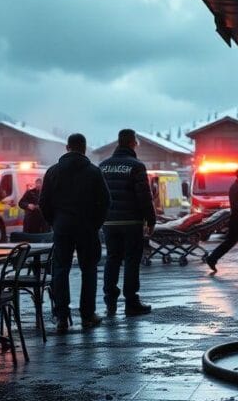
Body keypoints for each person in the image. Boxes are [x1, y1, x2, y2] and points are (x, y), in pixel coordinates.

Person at [40, 133, 111, 329]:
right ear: (84, 148)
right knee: (88, 270)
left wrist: (54, 222)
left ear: (67, 148)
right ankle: (87, 314)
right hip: (87, 228)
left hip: (62, 227)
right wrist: (95, 223)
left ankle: (62, 317)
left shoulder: (53, 172)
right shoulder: (93, 172)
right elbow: (105, 202)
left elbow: (43, 202)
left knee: (60, 270)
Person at [100, 129, 156, 317]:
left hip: (109, 223)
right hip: (131, 221)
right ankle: (131, 302)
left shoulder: (103, 166)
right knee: (132, 260)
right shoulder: (136, 166)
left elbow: (97, 196)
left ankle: (110, 302)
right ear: (133, 143)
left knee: (112, 259)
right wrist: (151, 219)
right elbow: (144, 196)